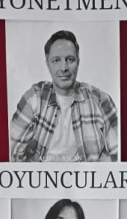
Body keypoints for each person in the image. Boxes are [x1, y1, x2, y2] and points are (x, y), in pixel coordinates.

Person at [10, 29, 118, 162]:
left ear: (78, 62)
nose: (64, 68)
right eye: (56, 60)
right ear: (48, 64)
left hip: (88, 175)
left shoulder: (100, 100)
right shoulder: (33, 99)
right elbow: (13, 156)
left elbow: (118, 157)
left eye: (70, 59)